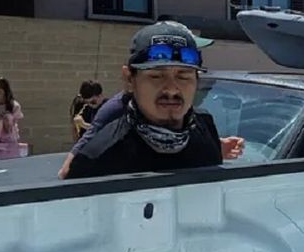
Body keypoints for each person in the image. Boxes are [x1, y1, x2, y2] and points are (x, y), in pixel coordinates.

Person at [63, 20, 237, 179]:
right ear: (130, 80)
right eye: (156, 76)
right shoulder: (98, 157)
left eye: (183, 76)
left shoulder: (206, 129)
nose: (171, 88)